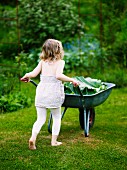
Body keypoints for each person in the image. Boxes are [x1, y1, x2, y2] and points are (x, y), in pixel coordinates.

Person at [21, 39, 79, 150]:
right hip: (54, 92)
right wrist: (71, 80)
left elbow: (33, 74)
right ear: (58, 50)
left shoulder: (42, 62)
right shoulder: (60, 62)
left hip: (42, 91)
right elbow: (58, 75)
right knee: (57, 117)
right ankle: (54, 141)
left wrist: (26, 75)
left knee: (40, 119)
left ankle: (33, 138)